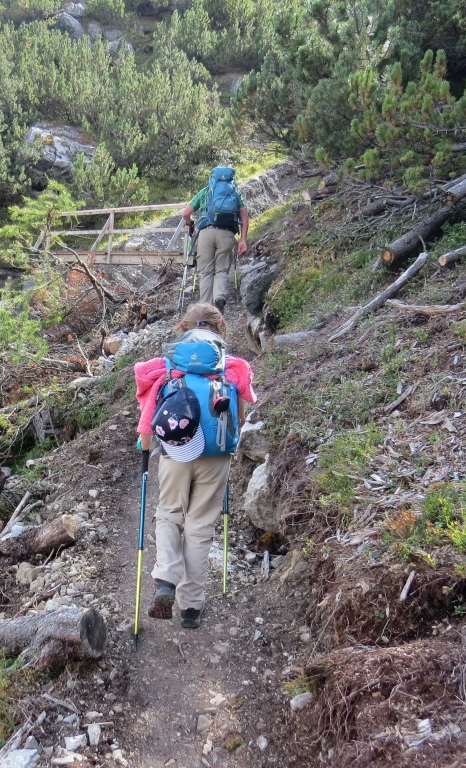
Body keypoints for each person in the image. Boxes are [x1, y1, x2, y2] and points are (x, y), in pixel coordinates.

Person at [133, 303, 257, 628]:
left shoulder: (166, 366)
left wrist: (145, 447)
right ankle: (190, 608)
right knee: (200, 527)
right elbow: (241, 417)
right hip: (216, 456)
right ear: (220, 327)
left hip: (175, 453)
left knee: (169, 514)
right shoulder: (233, 367)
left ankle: (165, 580)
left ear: (183, 327)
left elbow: (148, 416)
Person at [181, 170, 249, 312]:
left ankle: (205, 310)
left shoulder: (205, 191)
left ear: (212, 178)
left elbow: (185, 213)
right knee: (222, 270)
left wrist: (191, 223)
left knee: (206, 272)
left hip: (205, 233)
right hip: (227, 234)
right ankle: (219, 297)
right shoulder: (235, 193)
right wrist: (243, 239)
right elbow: (244, 215)